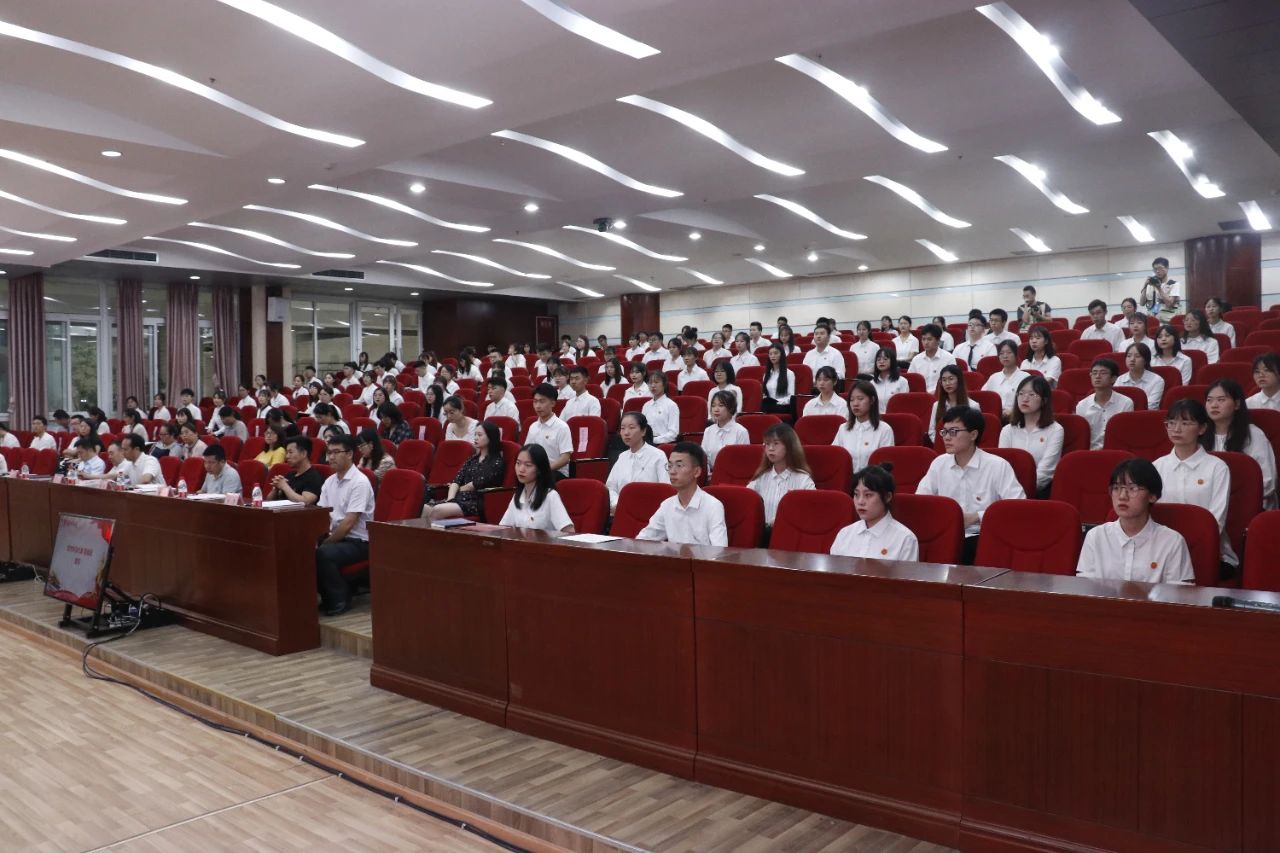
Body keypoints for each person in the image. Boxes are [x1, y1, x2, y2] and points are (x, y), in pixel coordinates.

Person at [916, 406, 1025, 562]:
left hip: (984, 535)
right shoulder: (939, 464)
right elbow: (921, 501)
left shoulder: (997, 466)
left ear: (973, 434)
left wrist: (976, 517)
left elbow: (1017, 507)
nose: (946, 437)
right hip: (944, 535)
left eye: (953, 432)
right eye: (944, 432)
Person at [1076, 459, 1194, 584]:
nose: (1122, 496)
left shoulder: (1172, 542)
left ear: (1152, 496)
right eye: (1116, 488)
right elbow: (1085, 588)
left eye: (1133, 488)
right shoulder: (1096, 537)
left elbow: (1178, 593)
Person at [1154, 400, 1235, 570]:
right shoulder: (1157, 466)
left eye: (1185, 423)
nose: (1176, 429)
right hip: (1162, 550)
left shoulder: (1217, 467)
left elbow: (1216, 521)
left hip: (1207, 549)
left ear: (1202, 428)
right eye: (1171, 423)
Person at [315, 434, 376, 616]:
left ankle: (340, 599)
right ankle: (324, 597)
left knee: (323, 553)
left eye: (336, 452)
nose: (331, 457)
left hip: (359, 542)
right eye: (329, 453)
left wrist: (326, 542)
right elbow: (321, 515)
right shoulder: (329, 482)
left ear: (349, 454)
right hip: (336, 537)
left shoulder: (360, 482)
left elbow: (349, 523)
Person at [636, 442, 728, 546]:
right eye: (670, 466)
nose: (672, 471)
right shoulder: (667, 505)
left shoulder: (713, 506)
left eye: (679, 465)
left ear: (696, 472)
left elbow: (719, 551)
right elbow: (642, 540)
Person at [1205, 379, 1275, 507]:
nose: (1213, 405)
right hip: (1207, 502)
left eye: (1221, 400)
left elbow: (1267, 481)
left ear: (1237, 404)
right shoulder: (1199, 434)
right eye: (1209, 400)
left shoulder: (1253, 435)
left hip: (1246, 504)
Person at [830, 464, 919, 560]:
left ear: (887, 497)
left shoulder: (905, 539)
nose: (860, 502)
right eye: (856, 494)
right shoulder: (845, 534)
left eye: (868, 495)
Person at [999, 376, 1064, 497]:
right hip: (1007, 492)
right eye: (1021, 394)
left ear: (1044, 400)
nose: (1025, 399)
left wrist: (1020, 493)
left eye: (1032, 394)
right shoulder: (1007, 430)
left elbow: (1045, 472)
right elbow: (1002, 467)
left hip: (1039, 493)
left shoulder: (1055, 430)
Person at [746, 424, 815, 526]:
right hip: (762, 531)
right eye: (767, 444)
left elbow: (810, 510)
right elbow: (746, 502)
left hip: (791, 531)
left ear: (789, 447)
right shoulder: (761, 477)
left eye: (776, 443)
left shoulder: (803, 479)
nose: (770, 448)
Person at [499, 444, 575, 532]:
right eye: (518, 463)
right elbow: (503, 529)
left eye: (528, 465)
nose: (521, 469)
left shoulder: (550, 496)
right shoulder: (518, 496)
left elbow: (569, 531)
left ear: (539, 469)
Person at [607, 412, 670, 509]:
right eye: (623, 428)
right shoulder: (622, 457)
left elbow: (666, 488)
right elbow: (611, 487)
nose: (626, 433)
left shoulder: (658, 456)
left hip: (649, 510)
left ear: (643, 431)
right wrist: (617, 503)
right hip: (622, 509)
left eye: (631, 428)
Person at [833, 379, 894, 471]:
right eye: (852, 400)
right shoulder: (843, 428)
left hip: (874, 478)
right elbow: (835, 457)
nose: (855, 404)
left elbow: (885, 465)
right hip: (848, 478)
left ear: (872, 400)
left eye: (860, 399)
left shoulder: (884, 429)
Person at [1076, 358, 1133, 449]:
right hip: (1091, 452)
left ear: (1113, 378)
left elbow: (1127, 434)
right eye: (1094, 373)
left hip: (1117, 451)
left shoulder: (1126, 403)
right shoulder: (1082, 405)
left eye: (1103, 373)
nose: (1097, 376)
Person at [526, 383, 573, 477]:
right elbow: (527, 451)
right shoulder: (533, 427)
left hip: (557, 472)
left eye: (542, 401)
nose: (538, 406)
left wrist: (544, 470)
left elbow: (565, 458)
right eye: (535, 402)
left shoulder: (562, 427)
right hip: (536, 471)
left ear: (552, 403)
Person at [928, 364, 980, 442]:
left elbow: (975, 432)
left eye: (951, 379)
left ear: (959, 380)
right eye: (944, 380)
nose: (947, 383)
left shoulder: (973, 406)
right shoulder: (936, 405)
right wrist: (944, 443)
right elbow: (932, 432)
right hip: (943, 445)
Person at [701, 391, 749, 474]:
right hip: (711, 475)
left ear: (731, 408)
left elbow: (743, 460)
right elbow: (704, 458)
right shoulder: (708, 430)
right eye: (713, 406)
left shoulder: (741, 431)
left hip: (733, 475)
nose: (716, 409)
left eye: (721, 405)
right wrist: (708, 474)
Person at [983, 340, 1031, 420]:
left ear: (1016, 355)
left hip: (1018, 418)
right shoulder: (994, 377)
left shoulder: (1025, 377)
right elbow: (984, 397)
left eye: (1009, 352)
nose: (1005, 356)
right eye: (1001, 353)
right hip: (995, 417)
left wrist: (1013, 412)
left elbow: (1030, 402)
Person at [269, 436, 324, 505]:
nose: (287, 456)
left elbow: (306, 502)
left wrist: (284, 486)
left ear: (304, 453)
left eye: (290, 452)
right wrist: (276, 489)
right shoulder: (290, 475)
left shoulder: (314, 477)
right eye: (287, 453)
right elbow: (268, 501)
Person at [1116, 341, 1165, 410]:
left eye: (1137, 356)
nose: (1132, 359)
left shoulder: (1157, 380)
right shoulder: (1120, 380)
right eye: (1129, 356)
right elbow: (1116, 404)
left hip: (1146, 415)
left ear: (1145, 360)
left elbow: (1151, 406)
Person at [908, 323, 956, 393]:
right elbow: (910, 381)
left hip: (942, 395)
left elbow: (952, 382)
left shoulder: (949, 358)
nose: (926, 342)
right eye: (923, 339)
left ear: (938, 341)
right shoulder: (916, 359)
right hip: (922, 396)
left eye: (929, 339)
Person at [642, 372, 681, 444]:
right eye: (650, 383)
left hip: (664, 444)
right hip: (646, 443)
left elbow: (673, 433)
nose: (653, 385)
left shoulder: (671, 405)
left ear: (664, 385)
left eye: (656, 382)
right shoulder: (646, 405)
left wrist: (653, 440)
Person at [1140, 256, 1180, 321]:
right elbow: (1142, 303)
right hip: (1152, 320)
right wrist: (1145, 285)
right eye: (1155, 269)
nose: (1157, 271)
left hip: (1167, 321)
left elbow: (1169, 304)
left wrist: (1159, 288)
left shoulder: (1174, 284)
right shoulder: (1150, 285)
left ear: (1167, 268)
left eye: (1160, 268)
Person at [760, 343, 796, 416]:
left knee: (765, 408)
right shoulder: (766, 375)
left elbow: (791, 397)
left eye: (776, 353)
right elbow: (765, 394)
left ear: (781, 355)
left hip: (783, 406)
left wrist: (776, 402)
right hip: (769, 406)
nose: (773, 356)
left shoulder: (789, 374)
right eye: (770, 354)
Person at [870, 346, 908, 413]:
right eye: (878, 359)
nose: (881, 362)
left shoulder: (902, 381)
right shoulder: (871, 384)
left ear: (892, 361)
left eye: (885, 359)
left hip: (896, 417)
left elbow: (904, 405)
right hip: (877, 418)